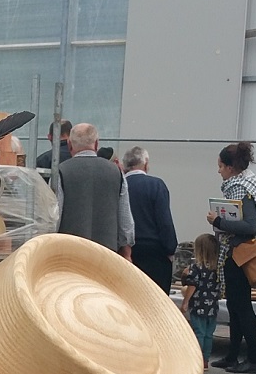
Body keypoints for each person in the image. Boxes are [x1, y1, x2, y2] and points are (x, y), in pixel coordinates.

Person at [207, 141, 256, 374]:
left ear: (230, 168)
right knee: (234, 305)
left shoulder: (241, 188)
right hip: (236, 253)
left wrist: (218, 221)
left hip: (240, 254)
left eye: (220, 166)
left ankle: (255, 359)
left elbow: (250, 226)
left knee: (242, 307)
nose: (219, 171)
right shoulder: (248, 184)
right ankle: (232, 355)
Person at [55, 123, 133, 258]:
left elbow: (54, 218)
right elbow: (125, 220)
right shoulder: (116, 173)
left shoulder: (61, 172)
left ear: (69, 145)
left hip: (70, 254)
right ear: (96, 144)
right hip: (107, 254)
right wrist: (126, 252)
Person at [123, 146, 177, 293]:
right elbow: (164, 222)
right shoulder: (156, 185)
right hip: (154, 255)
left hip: (125, 253)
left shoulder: (120, 185)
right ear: (145, 163)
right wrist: (170, 249)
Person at [182, 233, 222, 368]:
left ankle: (197, 359)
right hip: (213, 306)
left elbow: (192, 285)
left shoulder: (196, 267)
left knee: (199, 332)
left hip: (198, 304)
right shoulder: (218, 267)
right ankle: (205, 360)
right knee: (209, 334)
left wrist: (185, 302)